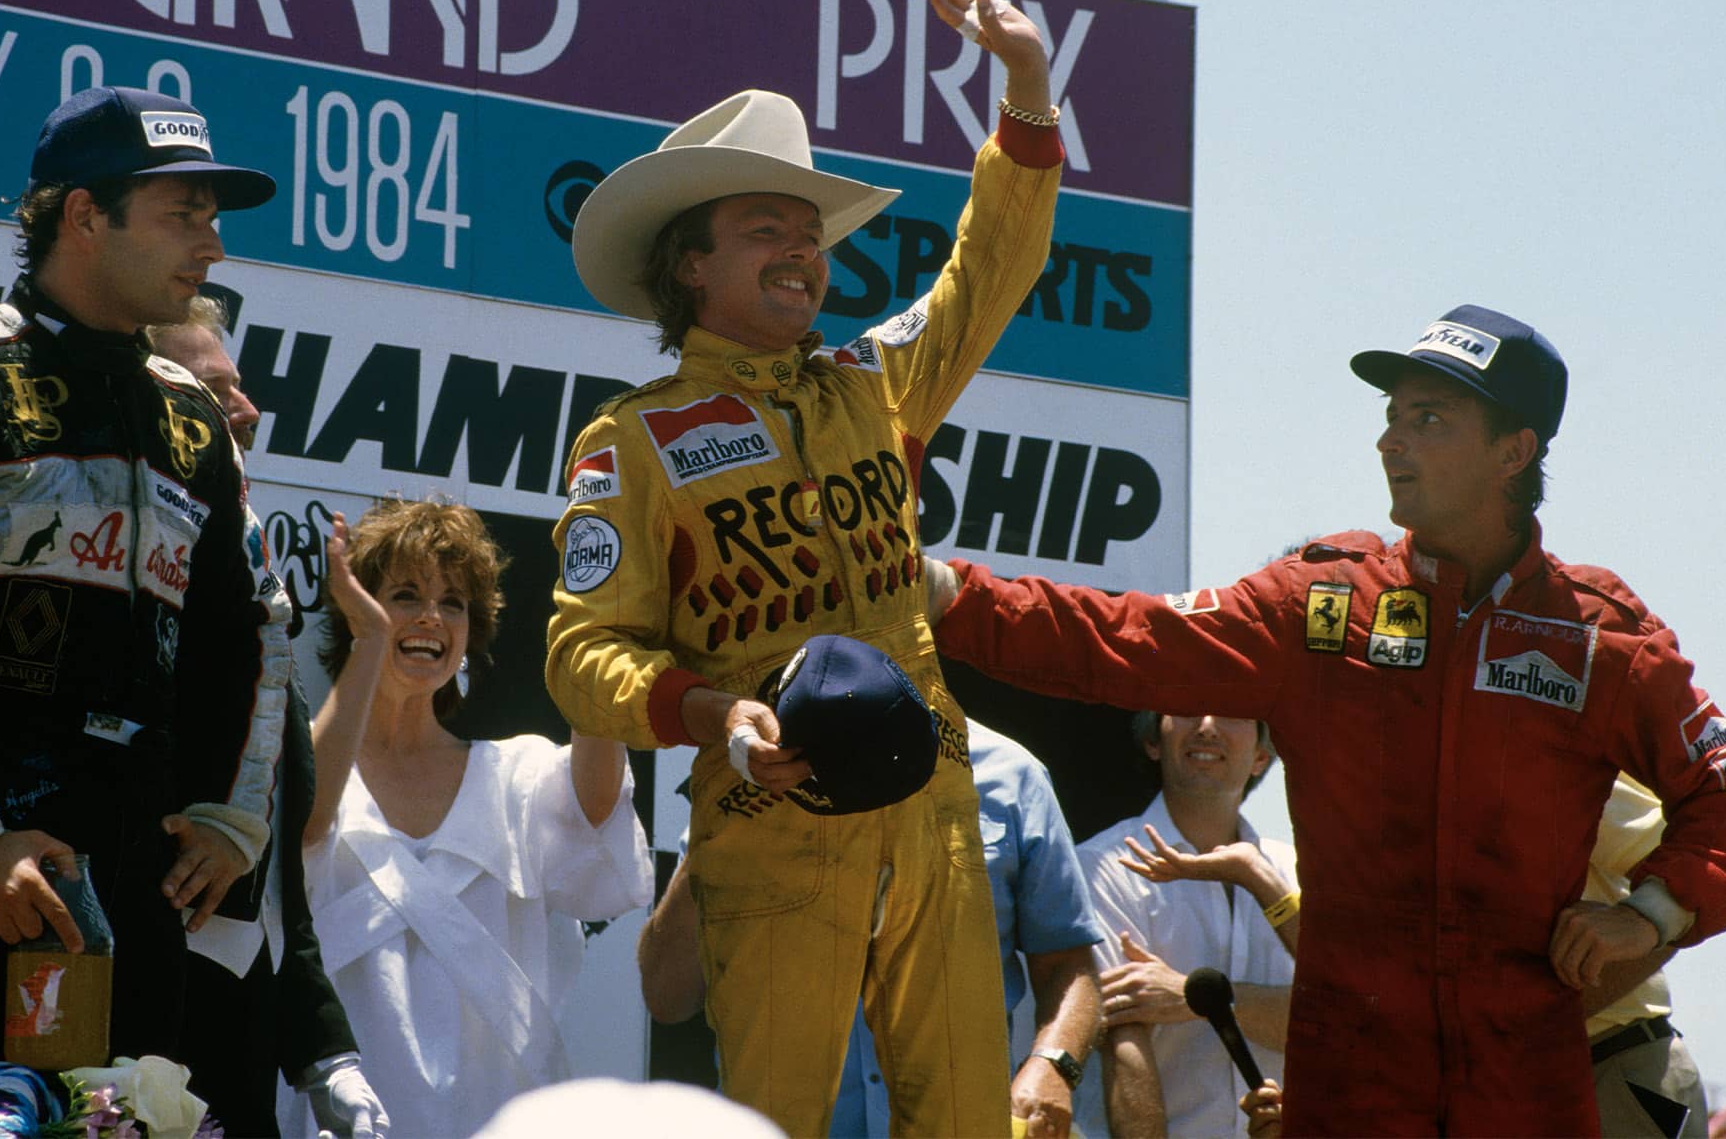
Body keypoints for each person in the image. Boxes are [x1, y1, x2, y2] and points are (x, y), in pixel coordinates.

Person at [929, 304, 1726, 1134]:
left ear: (1515, 451)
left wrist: (1652, 914)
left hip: (1526, 1095)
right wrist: (947, 596)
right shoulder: (1321, 600)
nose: (1390, 441)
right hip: (1348, 1094)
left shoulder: (1596, 636)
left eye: (1429, 419)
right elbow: (1120, 636)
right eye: (1393, 417)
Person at [544, 0, 1064, 1136]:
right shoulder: (631, 440)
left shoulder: (871, 382)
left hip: (932, 801)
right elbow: (580, 655)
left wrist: (1025, 83)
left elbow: (993, 263)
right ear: (690, 263)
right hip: (762, 815)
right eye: (763, 228)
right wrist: (712, 712)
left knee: (965, 1123)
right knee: (771, 1122)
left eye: (809, 231)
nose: (799, 249)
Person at [0, 86, 291, 1133]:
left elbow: (250, 633)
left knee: (131, 1121)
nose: (213, 246)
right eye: (183, 214)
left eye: (214, 218)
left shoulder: (190, 418)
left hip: (138, 881)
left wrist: (229, 818)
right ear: (83, 214)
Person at [284, 496, 651, 1136]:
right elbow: (305, 824)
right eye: (405, 595)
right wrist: (372, 642)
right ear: (355, 611)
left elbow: (596, 821)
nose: (432, 616)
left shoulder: (517, 774)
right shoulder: (313, 762)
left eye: (453, 602)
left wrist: (596, 635)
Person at [636, 718, 1107, 1138]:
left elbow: (1069, 966)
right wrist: (715, 830)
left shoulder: (1009, 773)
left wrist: (1052, 1066)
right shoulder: (746, 777)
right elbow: (666, 996)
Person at [149, 300, 382, 1138]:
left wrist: (325, 1054)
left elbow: (276, 872)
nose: (247, 412)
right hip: (124, 1033)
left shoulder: (250, 598)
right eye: (215, 393)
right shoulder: (106, 591)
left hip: (242, 1060)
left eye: (239, 389)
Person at [1068, 711, 1295, 1139]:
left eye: (1232, 711)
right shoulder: (1101, 866)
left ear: (1262, 756)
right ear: (1153, 742)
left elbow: (1336, 1019)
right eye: (1187, 706)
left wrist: (1193, 997)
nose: (1207, 725)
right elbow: (1124, 1036)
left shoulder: (1297, 872)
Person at [1582, 773, 1708, 1138]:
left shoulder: (1551, 762)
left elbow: (1693, 885)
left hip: (1615, 1066)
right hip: (1512, 1077)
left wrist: (1551, 1012)